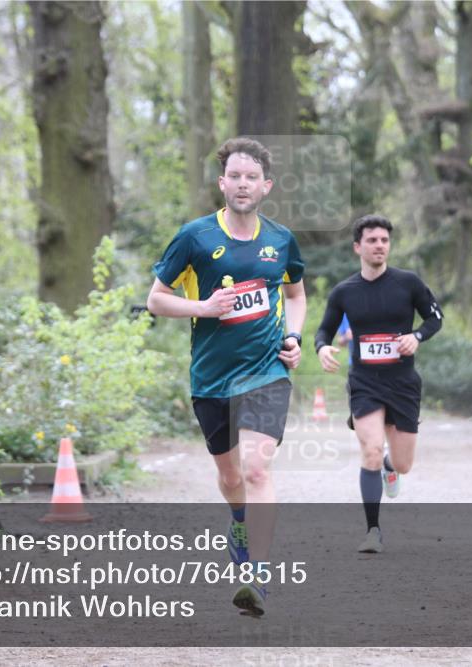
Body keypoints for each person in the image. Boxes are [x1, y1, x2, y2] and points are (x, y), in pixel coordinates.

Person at [146, 137, 306, 617]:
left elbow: (296, 296)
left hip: (266, 371)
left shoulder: (280, 241)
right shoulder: (195, 237)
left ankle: (257, 575)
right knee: (230, 475)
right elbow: (157, 298)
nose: (242, 184)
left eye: (251, 177)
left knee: (257, 469)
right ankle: (238, 519)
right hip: (212, 378)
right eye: (234, 176)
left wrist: (293, 338)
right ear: (222, 183)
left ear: (266, 186)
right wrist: (204, 307)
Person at [314, 215, 442, 553]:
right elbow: (324, 329)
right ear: (358, 246)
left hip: (402, 382)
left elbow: (435, 317)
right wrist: (322, 347)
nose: (379, 246)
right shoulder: (344, 292)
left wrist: (416, 336)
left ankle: (390, 468)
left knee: (403, 464)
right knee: (370, 450)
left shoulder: (408, 283)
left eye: (384, 240)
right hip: (365, 382)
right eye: (372, 240)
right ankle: (373, 531)